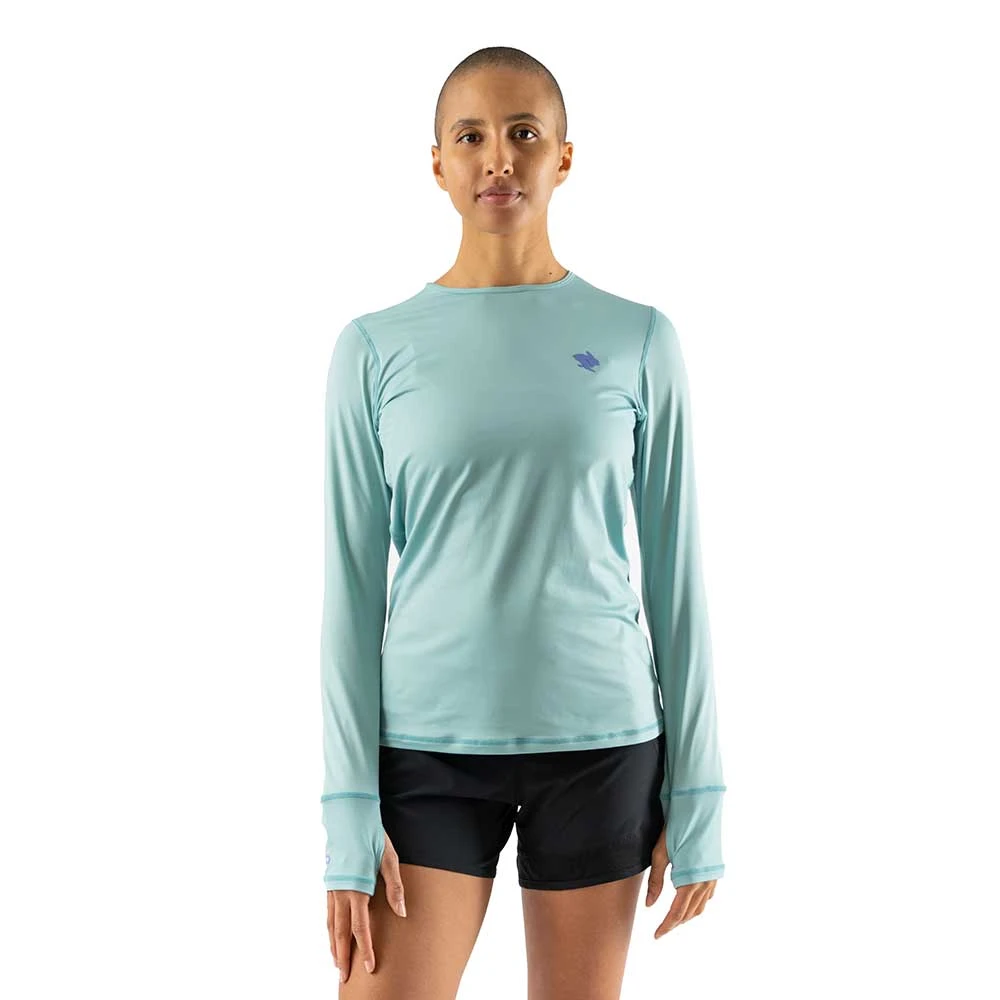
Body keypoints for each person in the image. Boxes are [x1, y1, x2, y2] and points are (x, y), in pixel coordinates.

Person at [320, 45, 726, 996]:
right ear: (438, 164)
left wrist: (700, 790)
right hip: (424, 751)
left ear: (563, 157)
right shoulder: (373, 349)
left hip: (601, 745)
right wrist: (346, 809)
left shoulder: (638, 339)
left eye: (523, 133)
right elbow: (349, 590)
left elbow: (677, 580)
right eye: (471, 136)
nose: (498, 157)